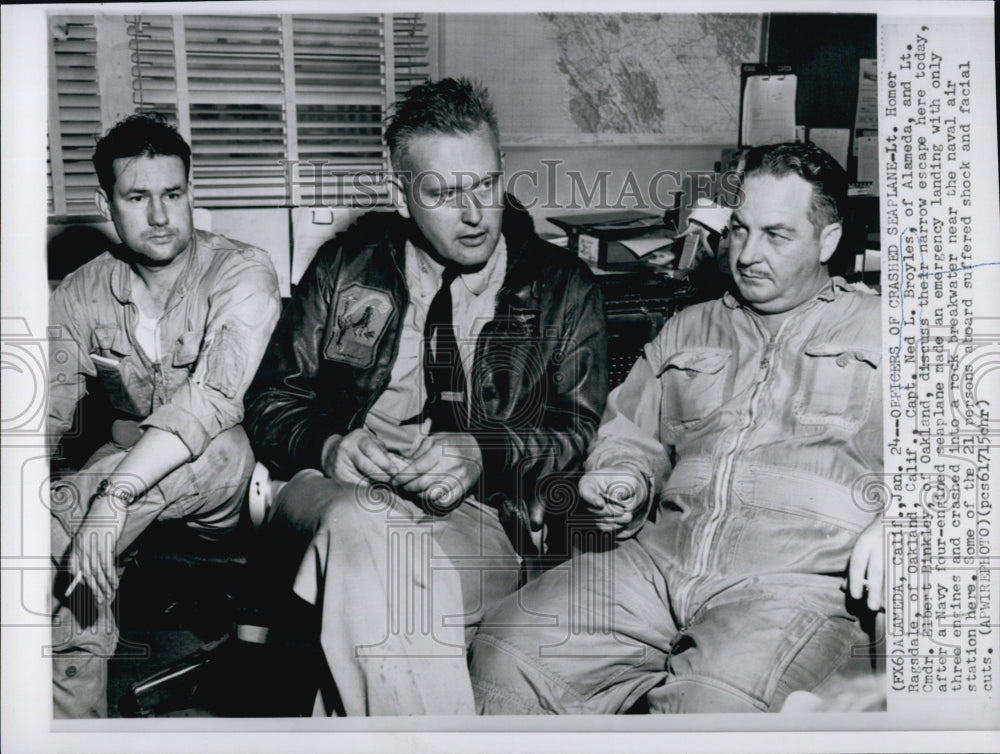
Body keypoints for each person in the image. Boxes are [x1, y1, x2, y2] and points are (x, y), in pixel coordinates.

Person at [468, 142, 884, 714]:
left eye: (775, 234)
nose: (748, 253)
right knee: (507, 649)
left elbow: (969, 458)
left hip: (792, 586)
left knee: (710, 705)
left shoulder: (887, 329)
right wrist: (622, 478)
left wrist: (904, 523)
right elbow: (628, 436)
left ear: (828, 241)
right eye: (738, 229)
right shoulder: (688, 329)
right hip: (659, 566)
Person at [244, 77, 608, 715]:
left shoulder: (562, 285)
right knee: (366, 529)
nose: (474, 215)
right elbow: (273, 401)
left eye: (487, 185)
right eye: (442, 193)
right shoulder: (345, 267)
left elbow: (579, 431)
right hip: (332, 491)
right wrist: (327, 445)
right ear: (401, 193)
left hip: (480, 512)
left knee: (382, 598)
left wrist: (483, 452)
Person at [47, 113, 281, 718]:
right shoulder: (79, 292)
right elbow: (42, 413)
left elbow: (211, 401)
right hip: (121, 474)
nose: (160, 216)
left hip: (230, 479)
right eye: (138, 197)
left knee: (205, 447)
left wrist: (113, 497)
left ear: (189, 193)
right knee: (57, 531)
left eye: (173, 194)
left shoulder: (241, 269)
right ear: (107, 203)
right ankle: (74, 719)